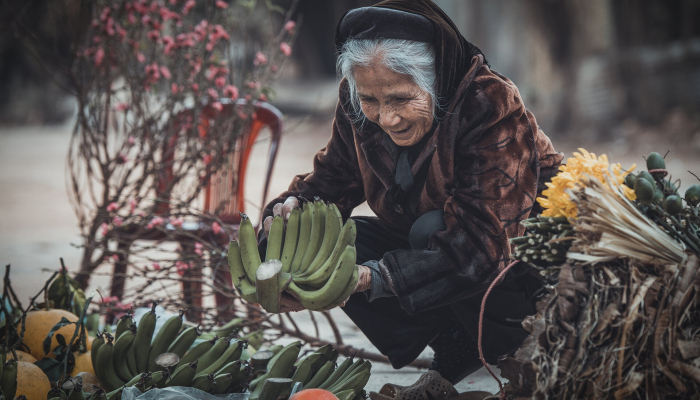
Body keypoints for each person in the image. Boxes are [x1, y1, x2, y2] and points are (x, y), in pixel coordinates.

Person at [259, 0, 563, 398]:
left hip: (519, 276)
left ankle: (499, 338)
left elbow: (481, 247)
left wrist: (369, 278)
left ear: (436, 78)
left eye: (401, 99)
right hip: (439, 258)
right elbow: (331, 181)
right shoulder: (360, 99)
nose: (386, 118)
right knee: (331, 238)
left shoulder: (488, 103)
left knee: (429, 230)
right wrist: (288, 214)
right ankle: (455, 339)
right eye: (371, 100)